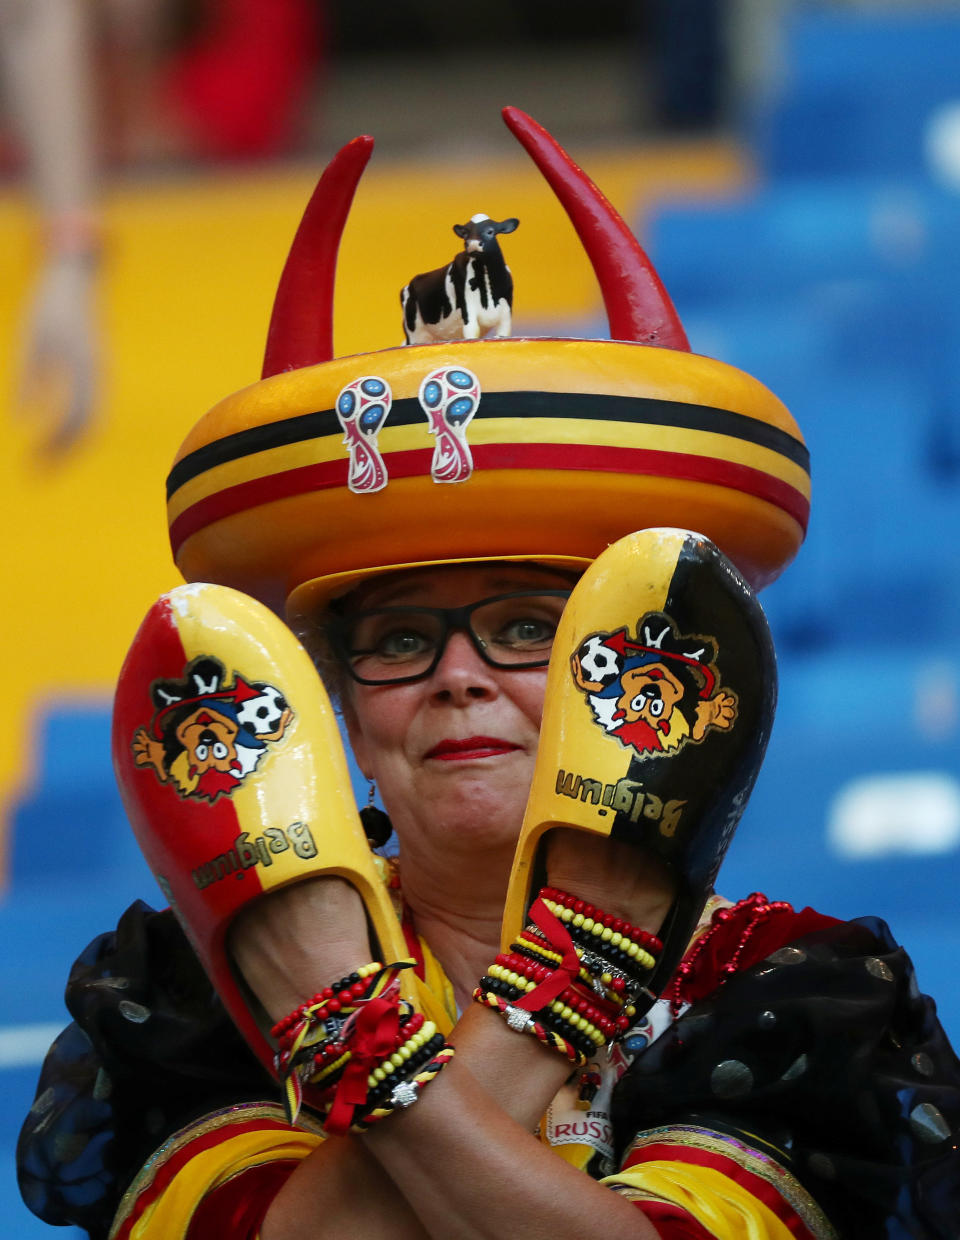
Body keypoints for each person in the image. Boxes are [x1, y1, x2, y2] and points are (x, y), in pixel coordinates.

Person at [17, 108, 960, 1239]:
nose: (459, 676)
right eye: (401, 641)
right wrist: (562, 976)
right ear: (344, 719)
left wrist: (342, 1021)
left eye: (527, 628)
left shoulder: (785, 980)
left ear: (660, 696)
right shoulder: (196, 981)